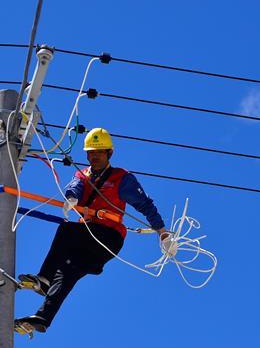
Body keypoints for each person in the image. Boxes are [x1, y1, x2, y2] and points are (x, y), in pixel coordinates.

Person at [14, 127, 170, 336]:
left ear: (109, 153)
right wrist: (71, 198)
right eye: (90, 152)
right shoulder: (82, 175)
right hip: (87, 238)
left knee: (67, 230)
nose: (93, 156)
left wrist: (163, 233)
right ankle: (42, 318)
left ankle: (43, 279)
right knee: (66, 272)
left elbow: (146, 205)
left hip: (108, 238)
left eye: (99, 152)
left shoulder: (121, 178)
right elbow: (75, 187)